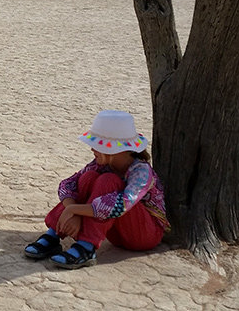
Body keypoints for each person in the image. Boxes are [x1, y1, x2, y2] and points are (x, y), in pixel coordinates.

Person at [23, 109, 168, 269]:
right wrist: (73, 212)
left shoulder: (141, 171)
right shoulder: (101, 164)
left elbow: (121, 206)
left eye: (97, 145)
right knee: (88, 177)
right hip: (115, 233)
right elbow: (68, 184)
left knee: (108, 181)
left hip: (142, 235)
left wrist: (73, 209)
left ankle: (86, 247)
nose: (92, 149)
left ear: (115, 150)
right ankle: (54, 233)